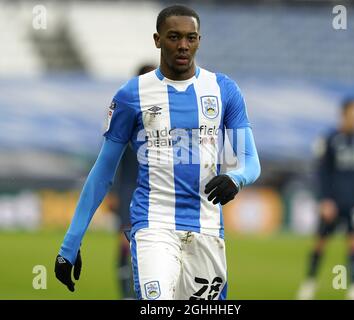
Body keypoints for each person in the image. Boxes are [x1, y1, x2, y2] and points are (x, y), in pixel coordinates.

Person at [54, 4, 261, 300]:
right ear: (157, 39)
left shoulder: (223, 90)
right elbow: (102, 173)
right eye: (174, 37)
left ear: (199, 40)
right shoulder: (131, 95)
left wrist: (236, 178)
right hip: (153, 226)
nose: (183, 46)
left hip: (207, 228)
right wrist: (69, 245)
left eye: (191, 38)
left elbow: (251, 162)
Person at [297, 98, 354, 300]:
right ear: (344, 115)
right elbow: (323, 172)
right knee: (320, 243)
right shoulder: (331, 139)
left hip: (353, 202)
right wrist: (324, 200)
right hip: (332, 202)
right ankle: (309, 284)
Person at [114, 64, 156, 299]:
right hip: (130, 192)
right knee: (126, 246)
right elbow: (115, 161)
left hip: (157, 196)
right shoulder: (127, 110)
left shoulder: (166, 113)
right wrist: (116, 195)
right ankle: (127, 293)